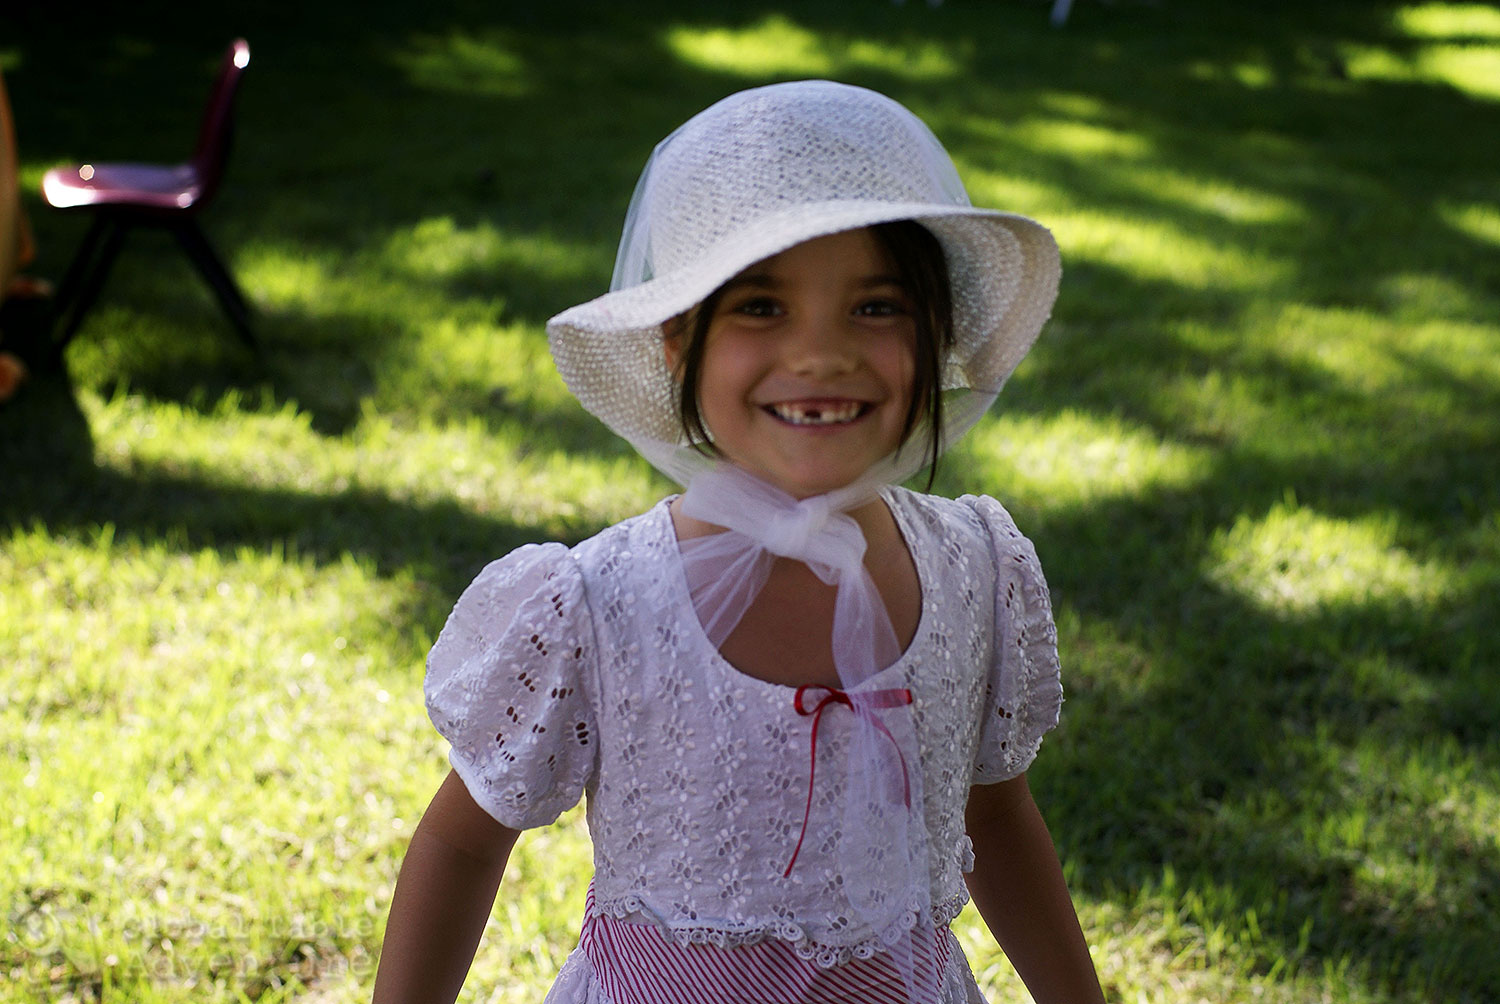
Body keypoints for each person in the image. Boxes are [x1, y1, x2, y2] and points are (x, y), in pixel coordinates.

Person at [373, 80, 1106, 1004]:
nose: (820, 354)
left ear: (939, 337)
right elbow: (462, 838)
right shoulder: (596, 603)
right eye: (762, 307)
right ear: (679, 341)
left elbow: (995, 815)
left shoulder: (975, 571)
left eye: (876, 307)